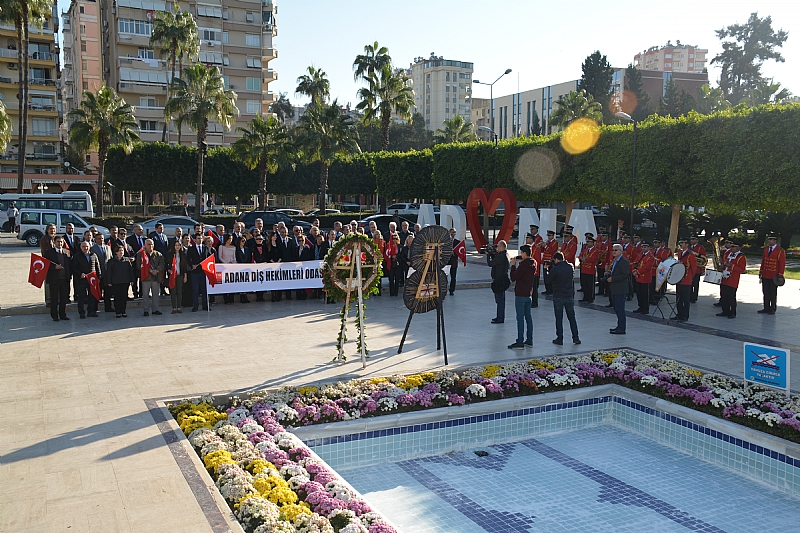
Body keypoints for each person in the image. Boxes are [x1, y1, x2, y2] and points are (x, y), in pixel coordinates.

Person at [508, 244, 537, 350]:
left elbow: (513, 277)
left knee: (520, 318)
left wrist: (513, 265)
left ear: (524, 253)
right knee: (528, 317)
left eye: (521, 253)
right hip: (528, 293)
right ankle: (529, 340)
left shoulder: (523, 265)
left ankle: (520, 341)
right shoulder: (534, 263)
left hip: (520, 294)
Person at [549, 251, 580, 345]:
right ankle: (576, 338)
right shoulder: (570, 267)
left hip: (558, 296)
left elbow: (548, 280)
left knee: (559, 318)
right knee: (572, 318)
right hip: (569, 295)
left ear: (556, 259)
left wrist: (547, 270)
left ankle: (560, 338)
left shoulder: (555, 269)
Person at [71, 241, 101, 319]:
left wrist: (99, 277)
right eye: (83, 247)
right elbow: (73, 267)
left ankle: (91, 311)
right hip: (82, 280)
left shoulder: (93, 255)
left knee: (92, 296)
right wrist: (80, 274)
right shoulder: (77, 256)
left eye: (87, 246)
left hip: (92, 280)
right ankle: (81, 312)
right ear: (81, 247)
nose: (85, 248)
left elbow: (97, 266)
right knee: (81, 296)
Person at [44, 236, 72, 321]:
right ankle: (54, 315)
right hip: (54, 279)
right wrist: (54, 267)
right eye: (58, 242)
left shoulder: (67, 252)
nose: (60, 243)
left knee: (63, 298)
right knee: (54, 298)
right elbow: (46, 265)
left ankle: (62, 314)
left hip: (64, 279)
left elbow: (69, 265)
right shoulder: (49, 253)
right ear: (54, 242)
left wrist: (69, 276)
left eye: (61, 242)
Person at [605, 244, 630, 334]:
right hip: (614, 287)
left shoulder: (623, 262)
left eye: (616, 250)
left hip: (620, 288)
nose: (614, 252)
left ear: (621, 251)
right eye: (613, 250)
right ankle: (619, 326)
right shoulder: (614, 261)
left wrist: (613, 279)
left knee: (620, 308)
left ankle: (622, 328)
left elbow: (625, 274)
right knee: (616, 308)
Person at [136, 238, 164, 316]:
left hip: (156, 277)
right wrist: (150, 270)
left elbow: (162, 263)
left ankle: (155, 309)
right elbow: (139, 265)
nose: (150, 246)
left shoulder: (158, 254)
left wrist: (157, 270)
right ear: (145, 245)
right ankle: (146, 310)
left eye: (152, 244)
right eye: (148, 244)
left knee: (155, 295)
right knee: (145, 295)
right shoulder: (141, 254)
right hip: (146, 277)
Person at [718, 241, 746, 319]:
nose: (731, 248)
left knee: (731, 296)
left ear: (737, 248)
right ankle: (725, 310)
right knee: (724, 295)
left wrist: (731, 266)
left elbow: (742, 269)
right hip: (724, 278)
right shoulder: (729, 254)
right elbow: (725, 263)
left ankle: (732, 312)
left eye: (733, 247)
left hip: (733, 279)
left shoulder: (741, 257)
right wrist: (722, 266)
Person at [758, 234, 785, 315]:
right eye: (768, 239)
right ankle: (766, 307)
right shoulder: (766, 249)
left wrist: (780, 275)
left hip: (774, 275)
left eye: (771, 239)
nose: (769, 241)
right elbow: (763, 261)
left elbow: (782, 264)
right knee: (765, 291)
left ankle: (772, 308)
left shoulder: (780, 251)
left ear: (775, 241)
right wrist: (761, 272)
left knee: (772, 292)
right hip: (766, 274)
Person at [673, 238, 697, 322]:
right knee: (679, 298)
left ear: (687, 244)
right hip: (679, 278)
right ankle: (679, 314)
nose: (681, 244)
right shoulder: (680, 253)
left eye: (682, 243)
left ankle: (685, 316)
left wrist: (690, 277)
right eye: (680, 243)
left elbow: (694, 268)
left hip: (686, 279)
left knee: (686, 299)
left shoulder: (691, 255)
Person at [187, 233, 212, 312]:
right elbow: (188, 259)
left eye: (201, 238)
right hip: (195, 272)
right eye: (198, 238)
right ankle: (196, 305)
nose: (200, 240)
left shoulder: (205, 248)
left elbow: (208, 258)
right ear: (195, 240)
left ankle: (205, 305)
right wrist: (192, 266)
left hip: (203, 272)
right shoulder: (191, 249)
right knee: (195, 289)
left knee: (204, 289)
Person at [106, 245, 134, 318]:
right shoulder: (111, 261)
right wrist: (109, 281)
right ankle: (118, 312)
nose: (121, 252)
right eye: (119, 251)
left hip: (125, 281)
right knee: (117, 297)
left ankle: (123, 311)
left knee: (124, 297)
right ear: (116, 252)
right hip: (116, 282)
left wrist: (132, 280)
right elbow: (109, 272)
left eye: (122, 251)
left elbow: (130, 271)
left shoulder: (127, 261)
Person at [487, 240, 510, 324]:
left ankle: (500, 318)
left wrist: (488, 255)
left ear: (502, 247)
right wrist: (492, 255)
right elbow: (495, 262)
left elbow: (490, 263)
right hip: (501, 280)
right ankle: (499, 316)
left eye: (498, 246)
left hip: (499, 281)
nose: (497, 248)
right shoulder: (503, 255)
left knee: (500, 300)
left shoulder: (501, 256)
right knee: (500, 300)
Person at [91, 233, 114, 312]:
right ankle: (95, 308)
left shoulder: (108, 247)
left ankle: (108, 307)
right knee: (97, 291)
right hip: (98, 273)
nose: (101, 240)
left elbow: (110, 259)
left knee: (108, 292)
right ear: (95, 240)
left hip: (107, 273)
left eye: (102, 238)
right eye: (99, 239)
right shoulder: (92, 249)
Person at [166, 238, 188, 313]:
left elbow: (185, 266)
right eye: (176, 245)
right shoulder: (169, 254)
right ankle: (173, 308)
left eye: (179, 245)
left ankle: (178, 307)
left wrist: (185, 276)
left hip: (180, 275)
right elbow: (166, 265)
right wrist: (168, 270)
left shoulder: (183, 255)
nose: (177, 247)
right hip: (172, 275)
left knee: (179, 291)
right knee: (173, 291)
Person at [632, 242, 655, 314]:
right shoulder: (640, 255)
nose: (643, 248)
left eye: (645, 247)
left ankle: (645, 308)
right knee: (639, 293)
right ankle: (640, 306)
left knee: (645, 294)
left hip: (645, 278)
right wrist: (634, 270)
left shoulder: (650, 257)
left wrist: (637, 272)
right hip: (638, 277)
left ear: (649, 247)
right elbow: (635, 263)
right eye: (643, 247)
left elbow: (646, 268)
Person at [126, 224, 146, 298]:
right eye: (139, 229)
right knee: (134, 278)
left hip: (143, 262)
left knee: (142, 278)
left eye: (141, 229)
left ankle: (142, 293)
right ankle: (135, 293)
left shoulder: (144, 239)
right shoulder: (130, 239)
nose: (141, 231)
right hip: (134, 262)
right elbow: (129, 250)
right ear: (134, 230)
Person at [578, 236, 599, 303]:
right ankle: (585, 297)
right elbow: (580, 256)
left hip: (590, 270)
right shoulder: (585, 250)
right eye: (587, 242)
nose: (587, 243)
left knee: (590, 285)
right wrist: (582, 259)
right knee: (584, 285)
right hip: (584, 269)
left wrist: (585, 259)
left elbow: (593, 259)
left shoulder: (595, 251)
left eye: (589, 242)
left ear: (593, 243)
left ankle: (591, 298)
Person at [217, 233, 237, 304]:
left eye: (231, 239)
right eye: (229, 239)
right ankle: (226, 299)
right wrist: (226, 263)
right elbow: (220, 257)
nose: (230, 240)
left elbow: (234, 257)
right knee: (225, 283)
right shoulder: (221, 247)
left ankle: (231, 298)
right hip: (224, 267)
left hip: (232, 267)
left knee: (232, 283)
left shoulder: (234, 247)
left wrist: (233, 262)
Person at [528, 226, 543, 307]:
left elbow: (537, 260)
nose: (527, 240)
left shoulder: (536, 248)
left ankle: (535, 302)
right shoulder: (530, 247)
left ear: (531, 239)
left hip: (534, 272)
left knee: (534, 288)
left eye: (528, 238)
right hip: (530, 271)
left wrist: (535, 271)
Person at [689, 235, 707, 303]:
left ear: (697, 240)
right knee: (689, 283)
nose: (692, 240)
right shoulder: (689, 247)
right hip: (690, 268)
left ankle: (694, 297)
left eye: (693, 239)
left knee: (695, 284)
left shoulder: (700, 247)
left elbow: (703, 258)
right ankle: (690, 296)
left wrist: (695, 254)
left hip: (697, 269)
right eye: (691, 239)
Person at [541, 230, 558, 295]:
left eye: (550, 236)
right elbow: (543, 250)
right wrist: (542, 246)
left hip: (550, 261)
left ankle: (551, 289)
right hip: (545, 261)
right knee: (545, 276)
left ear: (552, 236)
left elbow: (552, 251)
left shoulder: (555, 243)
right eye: (548, 235)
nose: (548, 237)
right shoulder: (547, 242)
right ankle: (547, 289)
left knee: (550, 276)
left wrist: (545, 246)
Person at [234, 235, 251, 303]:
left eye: (244, 241)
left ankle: (245, 295)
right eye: (242, 241)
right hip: (239, 267)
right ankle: (241, 296)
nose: (244, 242)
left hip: (246, 267)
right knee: (241, 281)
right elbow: (237, 258)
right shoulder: (236, 249)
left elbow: (249, 257)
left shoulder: (246, 249)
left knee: (246, 282)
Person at [596, 232, 611, 298]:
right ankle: (600, 291)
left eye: (604, 236)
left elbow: (610, 255)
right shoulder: (599, 244)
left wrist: (608, 263)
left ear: (607, 237)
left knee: (606, 278)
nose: (602, 237)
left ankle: (607, 291)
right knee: (600, 277)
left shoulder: (609, 245)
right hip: (599, 263)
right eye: (602, 236)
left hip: (605, 263)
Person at [448, 228, 461, 296]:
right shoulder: (446, 242)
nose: (453, 233)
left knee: (453, 277)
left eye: (454, 232)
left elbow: (460, 252)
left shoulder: (458, 242)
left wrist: (454, 252)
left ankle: (452, 290)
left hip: (454, 262)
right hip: (446, 263)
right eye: (452, 232)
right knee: (444, 277)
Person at [372, 230, 385, 295]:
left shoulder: (383, 242)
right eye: (377, 234)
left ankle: (379, 290)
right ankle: (374, 290)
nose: (378, 235)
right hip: (374, 260)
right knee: (374, 275)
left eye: (379, 234)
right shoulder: (372, 242)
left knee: (379, 275)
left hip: (381, 260)